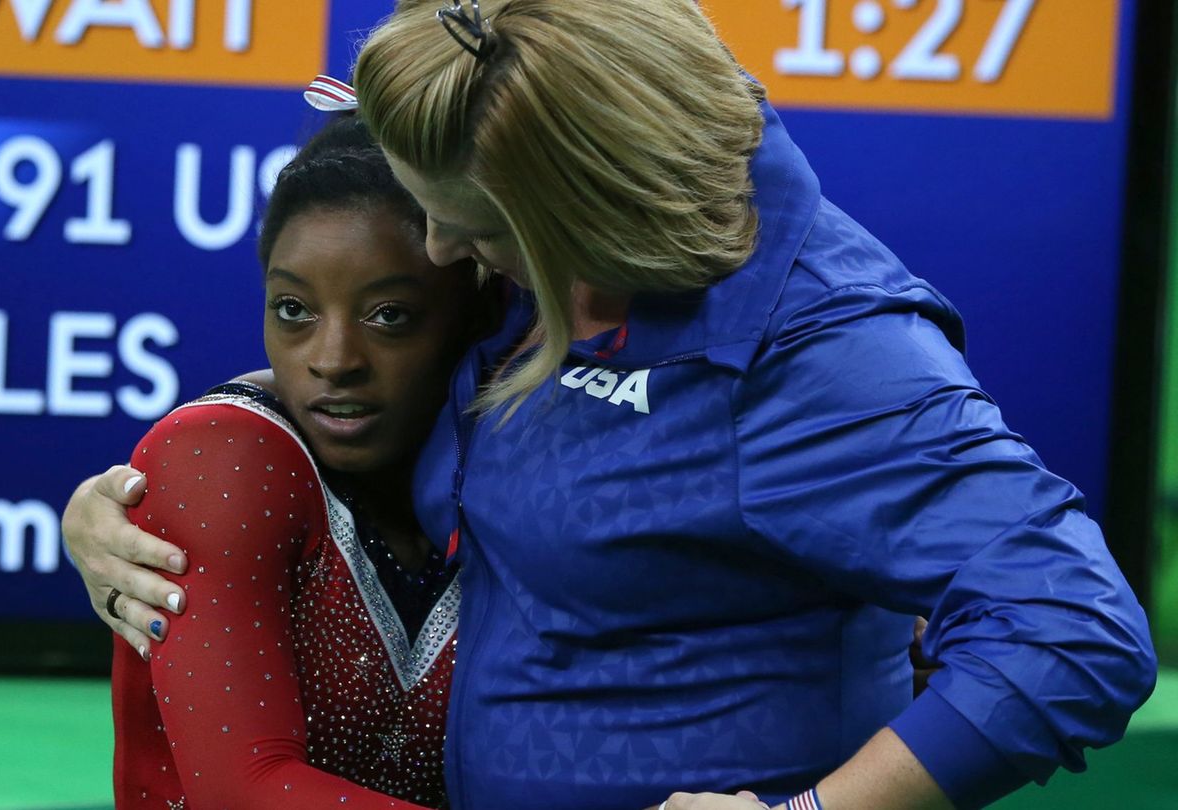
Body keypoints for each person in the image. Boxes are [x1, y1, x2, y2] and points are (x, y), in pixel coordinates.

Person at [65, 2, 1158, 809]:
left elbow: (1074, 630)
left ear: (576, 202)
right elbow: (391, 376)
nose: (444, 252)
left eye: (471, 231)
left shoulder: (832, 361)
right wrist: (172, 471)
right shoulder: (538, 260)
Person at [105, 103, 490, 809]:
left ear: (476, 313)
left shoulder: (522, 455)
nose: (332, 360)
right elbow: (240, 791)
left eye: (390, 315)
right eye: (293, 310)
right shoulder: (221, 455)